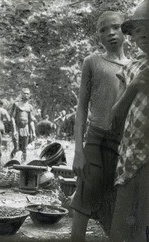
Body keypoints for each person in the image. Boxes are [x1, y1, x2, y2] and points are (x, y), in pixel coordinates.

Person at [70, 11, 129, 241]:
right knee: (83, 204)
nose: (110, 33)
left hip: (123, 146)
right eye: (103, 29)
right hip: (95, 140)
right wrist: (78, 152)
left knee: (115, 206)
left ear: (126, 30)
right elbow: (82, 108)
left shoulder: (137, 66)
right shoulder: (92, 62)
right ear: (98, 36)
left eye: (115, 27)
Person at [109, 2, 149, 241]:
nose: (144, 34)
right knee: (127, 226)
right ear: (132, 36)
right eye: (137, 30)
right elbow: (115, 115)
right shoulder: (131, 69)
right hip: (132, 156)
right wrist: (134, 86)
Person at [10, 88, 36, 162]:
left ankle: (23, 163)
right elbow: (12, 117)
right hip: (17, 127)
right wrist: (14, 130)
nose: (26, 95)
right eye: (24, 93)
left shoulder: (30, 106)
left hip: (26, 128)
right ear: (21, 94)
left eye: (28, 93)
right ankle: (10, 161)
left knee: (25, 148)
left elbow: (31, 120)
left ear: (29, 95)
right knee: (17, 148)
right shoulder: (16, 104)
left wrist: (34, 132)